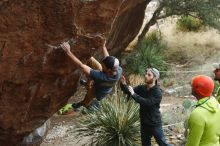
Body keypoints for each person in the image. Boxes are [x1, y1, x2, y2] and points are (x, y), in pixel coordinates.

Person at [61, 41, 122, 112]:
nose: (102, 65)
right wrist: (103, 46)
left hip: (97, 92)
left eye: (103, 66)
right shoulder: (118, 69)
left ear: (108, 70)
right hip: (104, 84)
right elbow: (108, 58)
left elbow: (81, 66)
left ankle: (81, 104)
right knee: (93, 61)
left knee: (87, 99)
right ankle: (87, 83)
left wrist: (68, 52)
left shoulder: (100, 76)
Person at [120, 68, 170, 146]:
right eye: (146, 74)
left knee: (163, 144)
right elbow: (128, 91)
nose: (146, 76)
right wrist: (123, 84)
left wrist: (134, 94)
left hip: (154, 124)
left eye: (149, 75)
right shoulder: (142, 88)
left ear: (155, 78)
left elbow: (147, 102)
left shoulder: (157, 92)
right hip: (144, 123)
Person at [186, 75, 220, 146]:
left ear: (197, 89)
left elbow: (192, 144)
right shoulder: (217, 104)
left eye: (192, 86)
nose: (191, 87)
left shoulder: (198, 114)